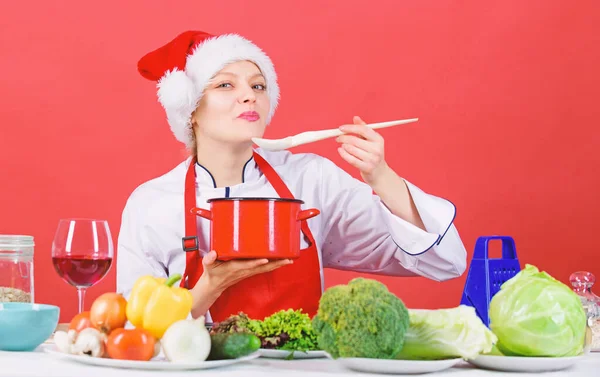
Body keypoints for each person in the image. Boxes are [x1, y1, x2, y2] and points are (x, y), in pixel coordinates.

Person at [116, 30, 467, 323]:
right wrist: (209, 287)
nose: (248, 97)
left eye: (258, 86)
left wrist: (381, 177)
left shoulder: (311, 180)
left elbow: (445, 261)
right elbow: (135, 335)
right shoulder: (151, 204)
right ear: (190, 109)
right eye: (225, 86)